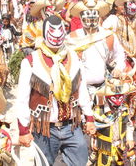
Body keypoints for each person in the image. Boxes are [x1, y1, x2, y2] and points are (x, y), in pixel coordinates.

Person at [16, 15, 95, 166]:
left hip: (71, 125)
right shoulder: (31, 61)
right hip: (44, 128)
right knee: (44, 163)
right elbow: (22, 99)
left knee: (80, 160)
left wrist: (89, 118)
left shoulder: (73, 57)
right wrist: (23, 130)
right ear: (45, 33)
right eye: (52, 30)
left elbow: (82, 90)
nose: (57, 35)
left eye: (61, 30)